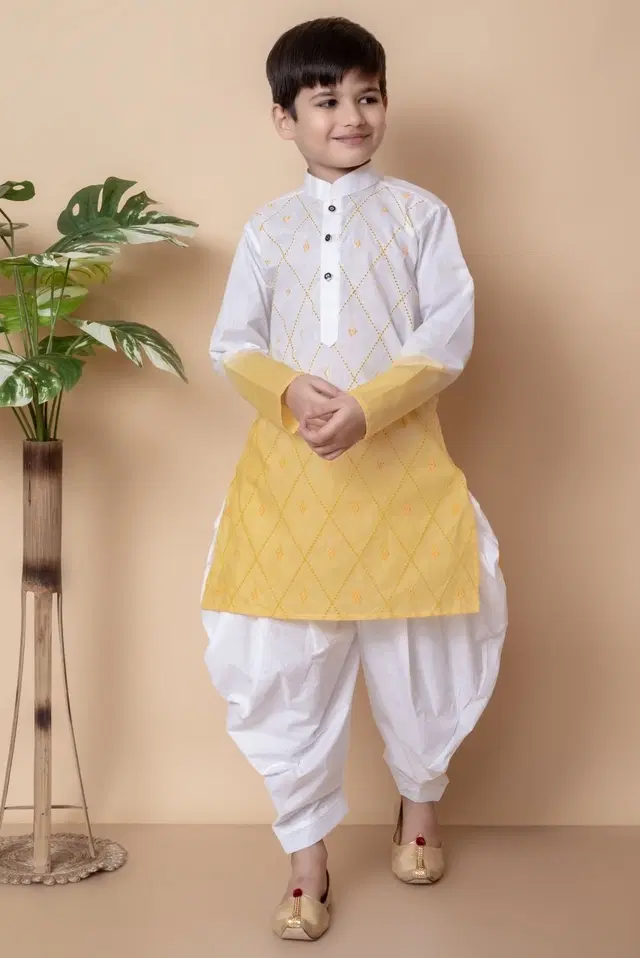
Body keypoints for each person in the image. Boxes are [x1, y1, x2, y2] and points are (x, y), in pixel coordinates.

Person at [201, 16, 507, 941]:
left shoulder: (420, 215)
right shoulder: (267, 231)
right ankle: (306, 859)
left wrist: (370, 408)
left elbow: (446, 333)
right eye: (326, 100)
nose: (351, 117)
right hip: (292, 477)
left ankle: (420, 809)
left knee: (422, 647)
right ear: (283, 118)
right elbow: (234, 343)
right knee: (287, 666)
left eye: (367, 96)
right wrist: (291, 392)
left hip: (400, 467)